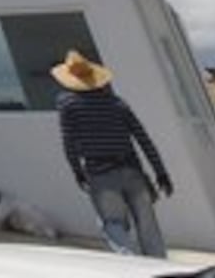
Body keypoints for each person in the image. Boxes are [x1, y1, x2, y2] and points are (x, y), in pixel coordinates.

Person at [52, 51, 173, 257]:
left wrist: (77, 172)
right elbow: (143, 140)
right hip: (132, 171)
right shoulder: (118, 103)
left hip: (100, 174)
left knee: (114, 225)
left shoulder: (68, 106)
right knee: (148, 228)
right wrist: (161, 172)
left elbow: (69, 143)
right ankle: (160, 266)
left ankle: (132, 268)